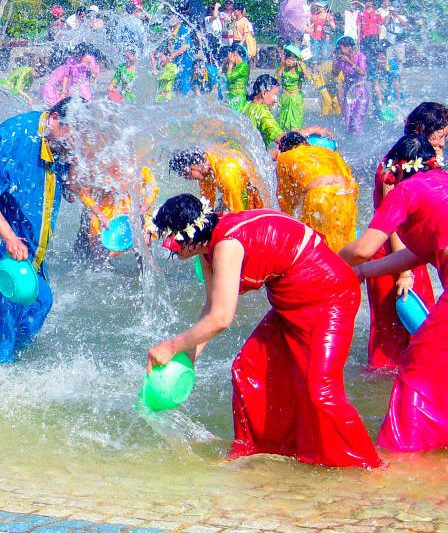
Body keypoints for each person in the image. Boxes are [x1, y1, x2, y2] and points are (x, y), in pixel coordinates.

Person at [146, 195, 380, 468]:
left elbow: (222, 318)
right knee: (247, 371)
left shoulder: (227, 244)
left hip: (330, 297)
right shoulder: (207, 248)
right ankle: (266, 453)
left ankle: (367, 466)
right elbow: (212, 308)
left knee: (321, 391)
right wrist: (188, 357)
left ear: (189, 234)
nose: (169, 248)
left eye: (171, 240)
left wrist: (170, 347)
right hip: (289, 303)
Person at [339, 135, 448, 452]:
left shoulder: (406, 190)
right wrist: (363, 272)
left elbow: (363, 247)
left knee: (416, 373)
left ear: (395, 168)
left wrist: (325, 260)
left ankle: (404, 454)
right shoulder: (441, 183)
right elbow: (419, 252)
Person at [0, 98, 74, 363]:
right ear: (56, 120)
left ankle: (9, 352)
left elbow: (71, 193)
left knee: (40, 303)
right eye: (75, 134)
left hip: (25, 232)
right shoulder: (13, 135)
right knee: (5, 310)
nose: (76, 142)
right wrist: (9, 237)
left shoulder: (61, 146)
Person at [362, 105, 446, 370]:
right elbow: (393, 226)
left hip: (411, 254)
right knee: (391, 338)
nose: (443, 142)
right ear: (422, 132)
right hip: (393, 257)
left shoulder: (418, 159)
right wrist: (405, 272)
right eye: (440, 136)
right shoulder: (396, 167)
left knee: (421, 325)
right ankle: (385, 389)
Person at [275, 132, 358, 252]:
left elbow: (286, 197)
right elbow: (352, 183)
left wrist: (287, 220)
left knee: (314, 246)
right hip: (346, 194)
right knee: (345, 248)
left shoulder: (284, 157)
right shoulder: (329, 152)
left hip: (319, 196)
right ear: (307, 143)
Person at [169, 148, 264, 214]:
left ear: (194, 165)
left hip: (250, 194)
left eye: (187, 174)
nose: (187, 178)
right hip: (236, 192)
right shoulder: (205, 167)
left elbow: (238, 214)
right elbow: (207, 204)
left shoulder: (227, 172)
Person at [335, 36, 368, 134]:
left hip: (360, 92)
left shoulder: (360, 56)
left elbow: (362, 72)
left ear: (348, 47)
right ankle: (349, 144)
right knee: (347, 120)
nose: (340, 51)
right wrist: (335, 63)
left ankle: (359, 143)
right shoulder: (342, 60)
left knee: (357, 121)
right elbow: (335, 74)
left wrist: (349, 62)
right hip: (348, 92)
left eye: (341, 49)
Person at [243, 75, 283, 148]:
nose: (276, 100)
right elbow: (282, 139)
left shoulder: (248, 107)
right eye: (275, 95)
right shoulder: (261, 111)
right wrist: (309, 130)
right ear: (264, 93)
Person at [275, 46, 309, 131]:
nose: (291, 61)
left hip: (296, 99)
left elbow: (309, 78)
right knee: (281, 127)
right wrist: (283, 66)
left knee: (295, 128)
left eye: (293, 59)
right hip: (284, 98)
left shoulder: (300, 66)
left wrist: (301, 65)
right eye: (289, 58)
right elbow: (276, 78)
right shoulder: (282, 66)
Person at [371, 41, 403, 114]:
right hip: (379, 92)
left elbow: (396, 85)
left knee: (398, 110)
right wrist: (380, 104)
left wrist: (399, 101)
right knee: (378, 112)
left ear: (386, 58)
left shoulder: (392, 65)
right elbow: (377, 87)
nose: (382, 62)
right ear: (376, 59)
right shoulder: (373, 68)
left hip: (392, 91)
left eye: (383, 58)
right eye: (380, 59)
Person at [167, 13, 195, 95]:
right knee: (176, 82)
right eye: (170, 16)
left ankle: (187, 101)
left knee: (184, 81)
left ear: (178, 19)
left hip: (185, 60)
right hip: (176, 61)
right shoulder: (171, 31)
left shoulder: (183, 30)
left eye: (172, 16)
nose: (170, 18)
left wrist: (172, 55)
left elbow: (185, 47)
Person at [224, 43, 250, 112]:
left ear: (234, 54)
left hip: (238, 100)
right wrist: (224, 64)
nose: (228, 58)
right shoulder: (235, 67)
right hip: (231, 99)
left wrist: (231, 63)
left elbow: (229, 78)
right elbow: (220, 75)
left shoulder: (243, 66)